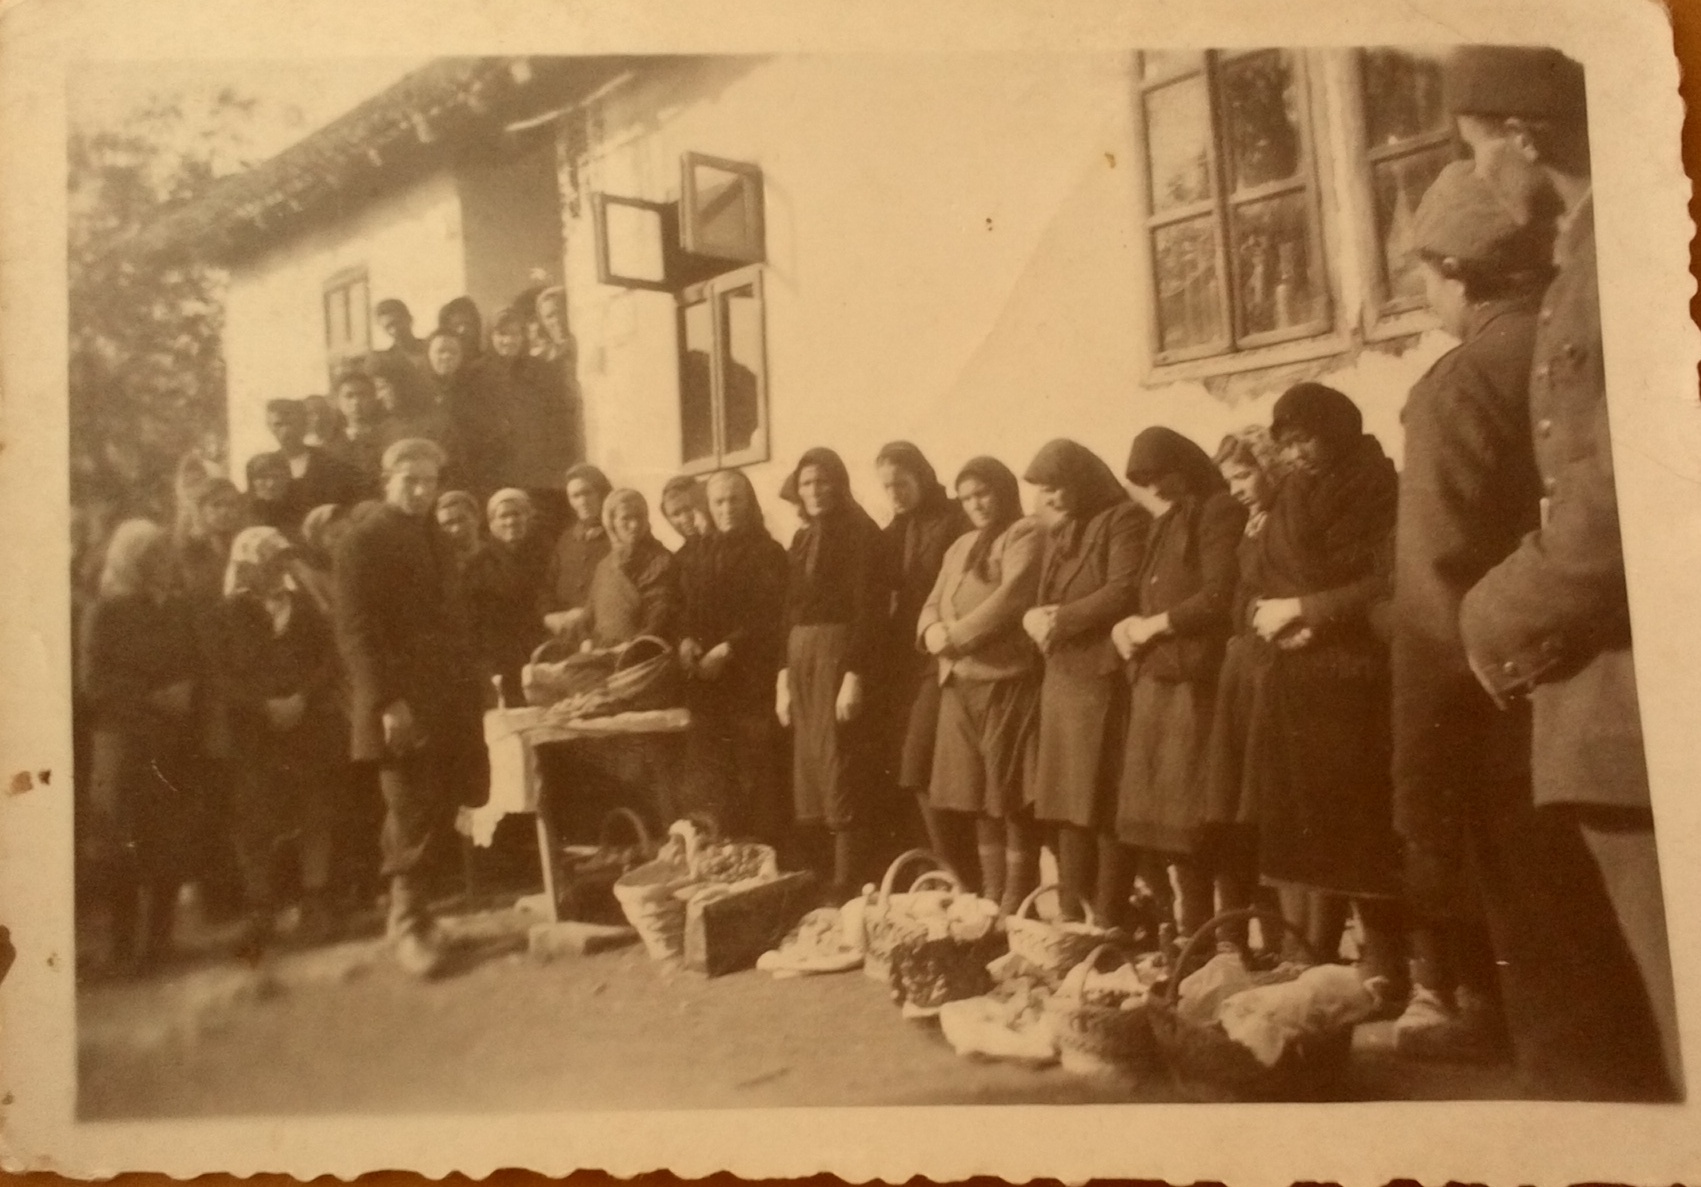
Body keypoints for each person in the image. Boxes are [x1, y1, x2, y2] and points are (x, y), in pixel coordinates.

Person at [1450, 45, 1679, 1098]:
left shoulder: (1625, 252)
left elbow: (1633, 482)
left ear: (1526, 135)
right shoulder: (1593, 251)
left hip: (1638, 706)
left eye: (1479, 149)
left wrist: (1494, 612)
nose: (1480, 174)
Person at [1385, 159, 1557, 1060]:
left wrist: (1419, 779)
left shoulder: (1459, 385)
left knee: (1559, 1004)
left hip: (1501, 723)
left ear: (1455, 272)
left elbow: (1431, 600)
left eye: (1424, 273)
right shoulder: (1579, 347)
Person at [1238, 383, 1406, 1004]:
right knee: (1312, 830)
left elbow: (1386, 580)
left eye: (1305, 439)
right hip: (1297, 678)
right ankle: (1315, 958)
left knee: (1363, 830)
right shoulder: (1289, 494)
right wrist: (1267, 614)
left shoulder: (1376, 485)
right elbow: (1256, 573)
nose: (1295, 454)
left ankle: (1385, 966)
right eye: (1285, 444)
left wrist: (1309, 610)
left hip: (1355, 677)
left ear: (1337, 430)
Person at [333, 438, 489, 977]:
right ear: (387, 481)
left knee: (438, 802)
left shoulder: (437, 540)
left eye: (430, 481)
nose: (421, 491)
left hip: (446, 694)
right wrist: (388, 701)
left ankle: (415, 916)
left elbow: (454, 621)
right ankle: (406, 924)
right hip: (399, 700)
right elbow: (356, 633)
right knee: (408, 804)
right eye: (410, 481)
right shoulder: (361, 541)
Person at [1101, 427, 1247, 939]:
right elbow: (1146, 593)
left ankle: (1228, 938)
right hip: (1159, 680)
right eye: (1145, 480)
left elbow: (1219, 594)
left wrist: (1156, 626)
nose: (1156, 488)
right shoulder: (1166, 521)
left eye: (1161, 476)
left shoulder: (1219, 511)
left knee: (1206, 819)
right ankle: (1193, 931)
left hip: (1197, 681)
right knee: (1170, 825)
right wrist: (1127, 627)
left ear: (1185, 466)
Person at [1020, 440, 1147, 923]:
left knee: (1103, 803)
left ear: (1082, 480)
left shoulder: (1123, 519)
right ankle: (1073, 918)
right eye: (1044, 490)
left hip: (1101, 677)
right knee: (1067, 806)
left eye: (1057, 487)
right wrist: (1035, 616)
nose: (1051, 498)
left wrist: (1062, 619)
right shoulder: (1064, 529)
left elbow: (1123, 589)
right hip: (1063, 680)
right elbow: (1048, 594)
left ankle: (1108, 918)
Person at [915, 456, 1044, 911]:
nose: (976, 505)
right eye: (967, 498)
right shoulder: (960, 545)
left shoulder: (1025, 533)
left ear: (1003, 491)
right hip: (959, 683)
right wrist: (930, 630)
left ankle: (1018, 896)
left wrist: (955, 637)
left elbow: (1012, 598)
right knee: (977, 792)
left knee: (1008, 793)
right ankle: (992, 894)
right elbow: (933, 601)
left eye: (983, 493)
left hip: (1004, 681)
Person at [78, 520, 199, 975]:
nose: (162, 565)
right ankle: (122, 946)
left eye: (164, 556)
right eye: (151, 558)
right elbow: (95, 684)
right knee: (120, 843)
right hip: (122, 742)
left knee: (168, 838)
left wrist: (184, 691)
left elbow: (191, 662)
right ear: (131, 561)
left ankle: (161, 940)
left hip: (169, 739)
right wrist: (152, 698)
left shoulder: (172, 609)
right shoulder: (104, 612)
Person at [219, 526, 343, 954]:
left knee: (315, 809)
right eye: (268, 562)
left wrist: (302, 697)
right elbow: (220, 673)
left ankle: (315, 898)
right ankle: (260, 908)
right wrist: (263, 705)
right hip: (254, 729)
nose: (277, 569)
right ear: (247, 566)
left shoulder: (303, 606)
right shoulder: (227, 612)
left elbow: (328, 658)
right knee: (255, 819)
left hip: (306, 722)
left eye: (281, 560)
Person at [777, 448, 887, 899]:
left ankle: (847, 883)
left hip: (838, 655)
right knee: (809, 767)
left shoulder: (861, 534)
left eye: (823, 481)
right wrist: (782, 678)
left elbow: (870, 610)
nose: (815, 491)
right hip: (799, 658)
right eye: (806, 483)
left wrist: (854, 674)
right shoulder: (801, 539)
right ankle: (818, 879)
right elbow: (787, 611)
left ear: (838, 484)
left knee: (839, 762)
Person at [1200, 427, 1288, 946]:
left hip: (1272, 672)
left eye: (1243, 475)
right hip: (1244, 671)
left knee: (1263, 806)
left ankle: (1279, 940)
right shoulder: (1254, 523)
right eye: (1229, 480)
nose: (1235, 489)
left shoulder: (1289, 518)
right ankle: (1233, 940)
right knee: (1234, 809)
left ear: (1270, 467)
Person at [678, 470, 790, 846]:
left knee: (756, 768)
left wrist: (729, 648)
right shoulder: (700, 552)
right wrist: (686, 639)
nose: (727, 509)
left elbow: (770, 615)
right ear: (708, 507)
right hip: (708, 682)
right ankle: (726, 853)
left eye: (735, 499)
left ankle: (767, 852)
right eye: (719, 501)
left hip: (749, 677)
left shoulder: (768, 552)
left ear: (749, 502)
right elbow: (687, 608)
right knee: (714, 771)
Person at [873, 441, 971, 869]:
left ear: (923, 476)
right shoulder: (895, 530)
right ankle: (937, 870)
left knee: (920, 766)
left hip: (944, 656)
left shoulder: (954, 520)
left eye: (902, 483)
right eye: (887, 487)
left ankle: (956, 873)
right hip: (905, 662)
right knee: (912, 770)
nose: (895, 494)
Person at [459, 305, 577, 531]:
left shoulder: (541, 370)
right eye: (502, 334)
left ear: (524, 336)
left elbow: (556, 418)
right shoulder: (475, 374)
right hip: (493, 467)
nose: (509, 341)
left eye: (515, 334)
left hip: (534, 466)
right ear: (490, 336)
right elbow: (469, 424)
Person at [464, 488, 551, 707]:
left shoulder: (545, 555)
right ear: (492, 523)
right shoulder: (479, 565)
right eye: (503, 516)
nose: (511, 521)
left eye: (517, 514)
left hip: (542, 656)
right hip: (501, 663)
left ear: (527, 518)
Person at [256, 398, 370, 528]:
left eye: (292, 423)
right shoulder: (264, 469)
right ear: (270, 427)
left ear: (304, 424)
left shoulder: (329, 463)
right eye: (278, 424)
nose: (286, 430)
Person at [541, 463, 614, 625]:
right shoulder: (566, 539)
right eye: (575, 496)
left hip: (603, 625)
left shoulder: (616, 537)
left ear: (601, 493)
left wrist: (587, 613)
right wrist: (548, 615)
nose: (583, 501)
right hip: (565, 626)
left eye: (588, 493)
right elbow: (548, 584)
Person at [371, 354, 458, 470]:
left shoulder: (439, 425)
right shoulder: (383, 430)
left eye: (382, 387)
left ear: (401, 385)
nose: (378, 396)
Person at [322, 370, 390, 489]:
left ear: (374, 398)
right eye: (349, 396)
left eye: (362, 395)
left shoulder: (389, 436)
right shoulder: (329, 445)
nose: (356, 402)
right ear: (337, 401)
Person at [244, 451, 296, 536]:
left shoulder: (298, 508)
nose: (271, 484)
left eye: (277, 477)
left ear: (287, 479)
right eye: (263, 477)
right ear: (251, 481)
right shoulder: (242, 511)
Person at [434, 490, 483, 566]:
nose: (456, 528)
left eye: (462, 520)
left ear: (477, 518)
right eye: (448, 523)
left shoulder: (498, 559)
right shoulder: (435, 565)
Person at [374, 298, 427, 367]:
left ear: (410, 319)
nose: (394, 330)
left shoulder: (431, 349)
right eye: (388, 327)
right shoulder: (387, 361)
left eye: (397, 323)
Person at [438, 296, 485, 366]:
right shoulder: (437, 363)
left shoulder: (485, 364)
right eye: (456, 325)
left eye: (467, 324)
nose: (462, 330)